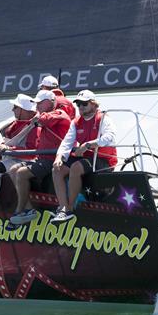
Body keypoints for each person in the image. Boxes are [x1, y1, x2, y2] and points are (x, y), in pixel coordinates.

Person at [51, 90, 118, 221]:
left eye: (84, 104)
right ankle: (63, 208)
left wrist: (88, 145)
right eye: (78, 104)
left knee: (76, 166)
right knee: (57, 169)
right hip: (85, 158)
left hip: (103, 159)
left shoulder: (103, 118)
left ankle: (69, 209)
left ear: (93, 104)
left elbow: (110, 138)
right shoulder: (76, 122)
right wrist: (59, 157)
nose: (81, 107)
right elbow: (67, 142)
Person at [9, 90, 71, 226]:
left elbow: (44, 119)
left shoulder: (60, 113)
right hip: (42, 158)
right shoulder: (46, 114)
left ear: (49, 102)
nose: (36, 106)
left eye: (39, 103)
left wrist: (37, 117)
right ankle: (29, 209)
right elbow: (40, 119)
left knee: (21, 173)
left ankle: (20, 210)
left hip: (53, 159)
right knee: (13, 169)